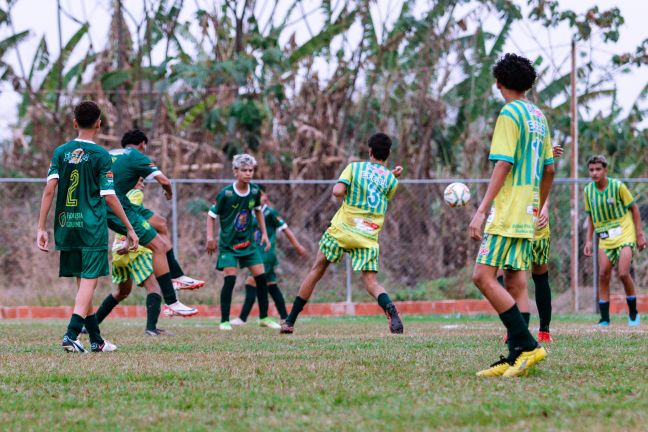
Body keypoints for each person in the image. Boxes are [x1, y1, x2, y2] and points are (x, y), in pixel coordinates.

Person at [469, 53, 555, 377]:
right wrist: (538, 204)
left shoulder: (510, 113)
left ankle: (528, 345)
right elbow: (549, 168)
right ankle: (516, 355)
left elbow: (503, 164)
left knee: (482, 276)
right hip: (528, 208)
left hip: (507, 210)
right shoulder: (538, 116)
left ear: (498, 83)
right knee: (516, 280)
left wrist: (481, 211)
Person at [36, 100, 139, 353]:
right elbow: (109, 196)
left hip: (65, 224)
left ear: (74, 123)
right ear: (99, 124)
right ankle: (71, 334)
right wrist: (129, 227)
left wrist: (41, 228)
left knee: (83, 283)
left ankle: (96, 340)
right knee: (90, 281)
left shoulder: (61, 152)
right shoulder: (101, 155)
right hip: (91, 225)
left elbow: (50, 189)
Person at [280, 132, 404, 335]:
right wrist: (391, 175)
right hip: (367, 235)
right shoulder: (392, 181)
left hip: (342, 229)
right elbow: (379, 186)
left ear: (370, 151)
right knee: (371, 282)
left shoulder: (354, 168)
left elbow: (338, 192)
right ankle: (390, 310)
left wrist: (344, 191)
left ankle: (290, 321)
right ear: (388, 154)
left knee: (316, 271)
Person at [102, 129, 197, 319]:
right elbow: (164, 179)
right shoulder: (136, 156)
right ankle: (171, 302)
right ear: (143, 144)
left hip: (115, 202)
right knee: (158, 246)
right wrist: (169, 192)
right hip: (115, 204)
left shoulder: (110, 153)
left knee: (160, 224)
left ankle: (177, 275)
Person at [498, 144, 563, 344]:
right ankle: (515, 328)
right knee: (508, 275)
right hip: (514, 220)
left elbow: (544, 179)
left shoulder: (537, 156)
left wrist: (544, 207)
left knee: (540, 274)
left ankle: (544, 330)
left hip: (536, 221)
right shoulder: (509, 156)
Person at [206, 154, 278, 330]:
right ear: (235, 172)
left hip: (248, 244)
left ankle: (264, 318)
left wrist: (264, 234)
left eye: (250, 170)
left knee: (261, 277)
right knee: (230, 279)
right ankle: (224, 321)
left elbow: (258, 210)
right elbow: (211, 215)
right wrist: (210, 238)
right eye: (244, 170)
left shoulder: (254, 191)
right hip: (228, 245)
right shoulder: (226, 193)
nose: (248, 173)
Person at [93, 180, 173, 336]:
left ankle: (90, 324)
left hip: (118, 252)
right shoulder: (135, 194)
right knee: (154, 288)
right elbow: (131, 222)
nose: (143, 184)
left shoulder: (116, 194)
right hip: (132, 250)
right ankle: (151, 329)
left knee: (122, 292)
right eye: (140, 180)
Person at [230, 185, 308, 325]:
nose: (258, 198)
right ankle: (285, 317)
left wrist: (297, 246)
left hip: (265, 254)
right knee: (272, 285)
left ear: (266, 197)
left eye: (261, 195)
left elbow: (285, 230)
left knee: (251, 281)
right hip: (255, 253)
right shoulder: (251, 213)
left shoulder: (270, 213)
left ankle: (242, 318)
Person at [583, 155, 646, 327]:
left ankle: (633, 313)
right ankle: (604, 318)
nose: (595, 173)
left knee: (623, 273)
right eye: (591, 170)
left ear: (605, 170)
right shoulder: (588, 191)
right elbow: (590, 216)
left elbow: (634, 208)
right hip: (605, 238)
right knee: (603, 275)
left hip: (624, 234)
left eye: (598, 169)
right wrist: (588, 240)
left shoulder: (618, 187)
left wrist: (639, 234)